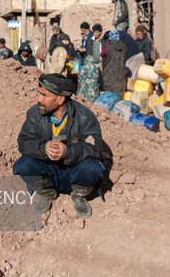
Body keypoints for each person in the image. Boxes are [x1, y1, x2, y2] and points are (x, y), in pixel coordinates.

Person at [13, 73, 105, 217]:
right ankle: (47, 193)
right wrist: (44, 148)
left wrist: (67, 151)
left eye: (44, 95)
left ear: (60, 99)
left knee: (92, 168)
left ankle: (79, 195)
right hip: (48, 171)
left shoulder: (84, 116)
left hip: (74, 171)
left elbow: (95, 148)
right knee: (24, 164)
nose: (38, 99)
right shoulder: (34, 114)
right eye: (39, 94)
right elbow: (25, 142)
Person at [101, 31, 127, 100]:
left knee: (109, 96)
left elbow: (102, 55)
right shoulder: (123, 46)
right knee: (119, 94)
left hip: (109, 74)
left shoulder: (108, 47)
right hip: (120, 73)